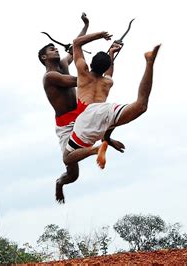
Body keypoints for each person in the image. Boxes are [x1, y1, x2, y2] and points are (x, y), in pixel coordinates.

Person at [38, 13, 125, 204]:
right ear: (44, 57)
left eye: (56, 48)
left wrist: (86, 25)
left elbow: (76, 46)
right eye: (52, 49)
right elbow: (82, 80)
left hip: (81, 114)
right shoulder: (50, 77)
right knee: (72, 174)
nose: (56, 50)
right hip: (65, 125)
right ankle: (59, 183)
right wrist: (97, 72)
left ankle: (103, 143)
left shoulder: (62, 64)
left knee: (96, 115)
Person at [62, 30, 161, 170]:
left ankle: (95, 150)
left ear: (90, 63)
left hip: (87, 115)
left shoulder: (83, 72)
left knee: (67, 158)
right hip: (106, 111)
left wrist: (100, 35)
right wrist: (111, 54)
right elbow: (109, 71)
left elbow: (76, 43)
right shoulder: (107, 82)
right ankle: (149, 62)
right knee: (141, 105)